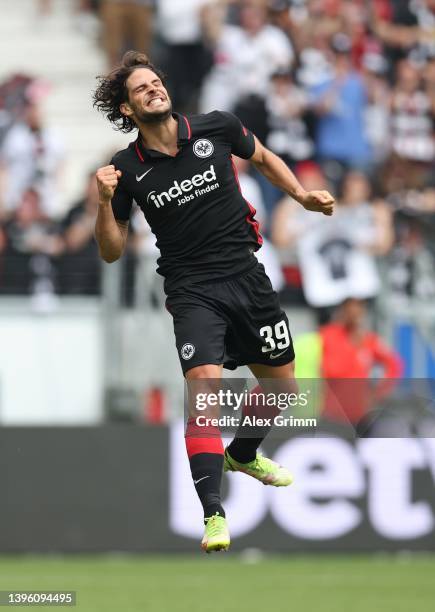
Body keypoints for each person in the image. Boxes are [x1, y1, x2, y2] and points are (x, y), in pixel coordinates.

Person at [92, 50, 334, 553]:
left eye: (156, 82)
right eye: (141, 89)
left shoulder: (216, 127)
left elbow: (264, 158)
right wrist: (101, 203)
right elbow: (112, 252)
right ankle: (214, 514)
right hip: (192, 289)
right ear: (127, 112)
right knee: (204, 390)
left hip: (248, 277)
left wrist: (301, 196)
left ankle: (243, 455)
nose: (154, 89)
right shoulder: (125, 170)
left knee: (283, 388)